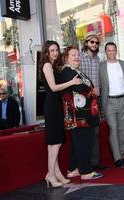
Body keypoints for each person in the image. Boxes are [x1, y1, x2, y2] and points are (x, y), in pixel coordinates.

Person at [39, 40, 81, 187]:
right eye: (52, 50)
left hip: (55, 105)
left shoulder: (53, 65)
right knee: (55, 143)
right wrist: (72, 82)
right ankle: (50, 174)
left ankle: (57, 174)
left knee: (53, 143)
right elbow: (54, 87)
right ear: (46, 52)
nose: (55, 53)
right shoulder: (47, 65)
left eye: (56, 50)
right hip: (52, 106)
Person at [60, 46, 103, 180]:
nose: (77, 57)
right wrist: (91, 90)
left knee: (77, 144)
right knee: (83, 143)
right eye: (73, 55)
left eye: (78, 55)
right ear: (66, 58)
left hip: (83, 114)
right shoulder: (67, 71)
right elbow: (79, 88)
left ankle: (73, 169)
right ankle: (85, 172)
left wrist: (90, 88)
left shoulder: (76, 71)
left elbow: (84, 86)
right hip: (77, 116)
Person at [99, 42, 124, 168]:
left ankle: (121, 154)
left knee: (122, 129)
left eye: (113, 50)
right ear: (106, 52)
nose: (111, 52)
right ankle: (117, 159)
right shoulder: (101, 67)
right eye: (109, 50)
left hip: (123, 100)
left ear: (116, 51)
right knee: (113, 129)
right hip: (109, 101)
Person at [80, 31, 106, 170]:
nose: (95, 44)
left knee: (95, 132)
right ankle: (85, 164)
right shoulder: (79, 57)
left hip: (97, 100)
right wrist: (90, 89)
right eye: (92, 42)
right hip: (83, 100)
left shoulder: (98, 59)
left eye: (97, 43)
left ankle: (95, 162)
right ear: (86, 43)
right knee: (85, 132)